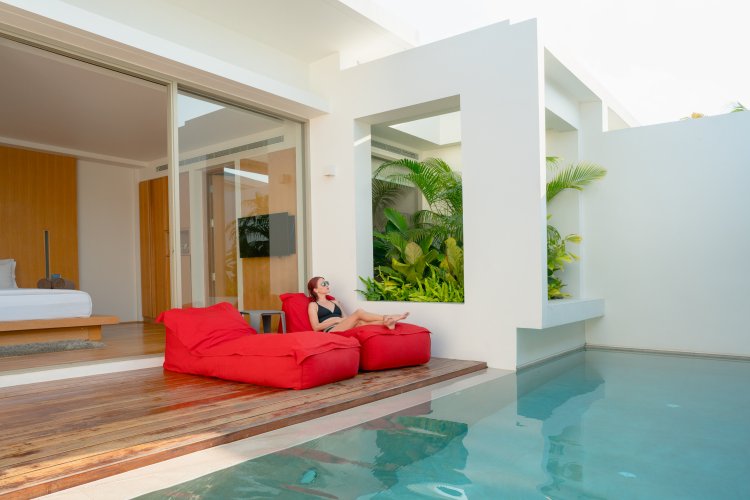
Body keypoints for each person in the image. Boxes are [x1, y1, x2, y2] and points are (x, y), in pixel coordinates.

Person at [307, 276, 408, 333]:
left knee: (360, 322)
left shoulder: (335, 302)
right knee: (359, 312)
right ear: (315, 290)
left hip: (344, 325)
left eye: (327, 283)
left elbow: (346, 318)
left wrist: (343, 320)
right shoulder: (313, 305)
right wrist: (336, 320)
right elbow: (316, 327)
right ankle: (387, 317)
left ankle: (388, 323)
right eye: (323, 284)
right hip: (331, 330)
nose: (327, 285)